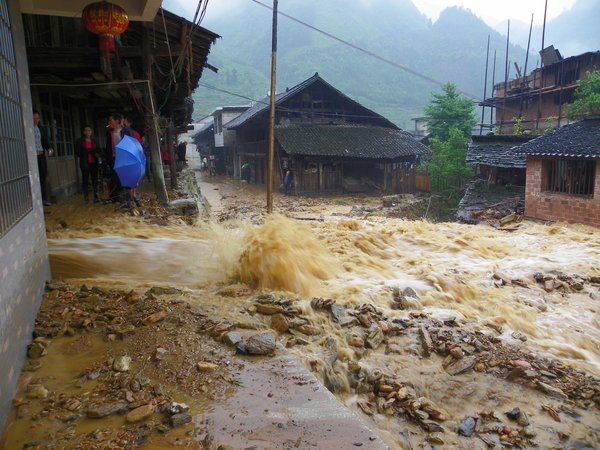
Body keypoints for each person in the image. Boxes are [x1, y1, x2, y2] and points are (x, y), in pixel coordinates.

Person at [105, 113, 134, 204]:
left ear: (117, 121)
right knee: (116, 178)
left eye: (111, 120)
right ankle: (119, 198)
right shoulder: (110, 133)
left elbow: (131, 144)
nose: (109, 122)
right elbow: (108, 147)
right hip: (115, 158)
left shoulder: (127, 131)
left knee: (127, 178)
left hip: (125, 158)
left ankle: (129, 198)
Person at [33, 110, 53, 206]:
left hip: (41, 155)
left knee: (43, 176)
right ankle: (35, 200)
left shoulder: (41, 128)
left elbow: (45, 141)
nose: (35, 120)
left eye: (37, 118)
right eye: (34, 118)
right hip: (32, 156)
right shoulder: (28, 129)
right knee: (33, 178)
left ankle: (43, 199)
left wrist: (49, 148)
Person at [75, 125, 100, 203]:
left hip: (94, 162)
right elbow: (77, 152)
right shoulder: (80, 140)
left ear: (91, 131)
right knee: (85, 180)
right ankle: (86, 198)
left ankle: (96, 197)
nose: (87, 132)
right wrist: (84, 153)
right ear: (83, 132)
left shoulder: (95, 140)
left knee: (95, 180)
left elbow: (99, 150)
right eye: (86, 130)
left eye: (89, 130)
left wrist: (96, 154)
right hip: (84, 162)